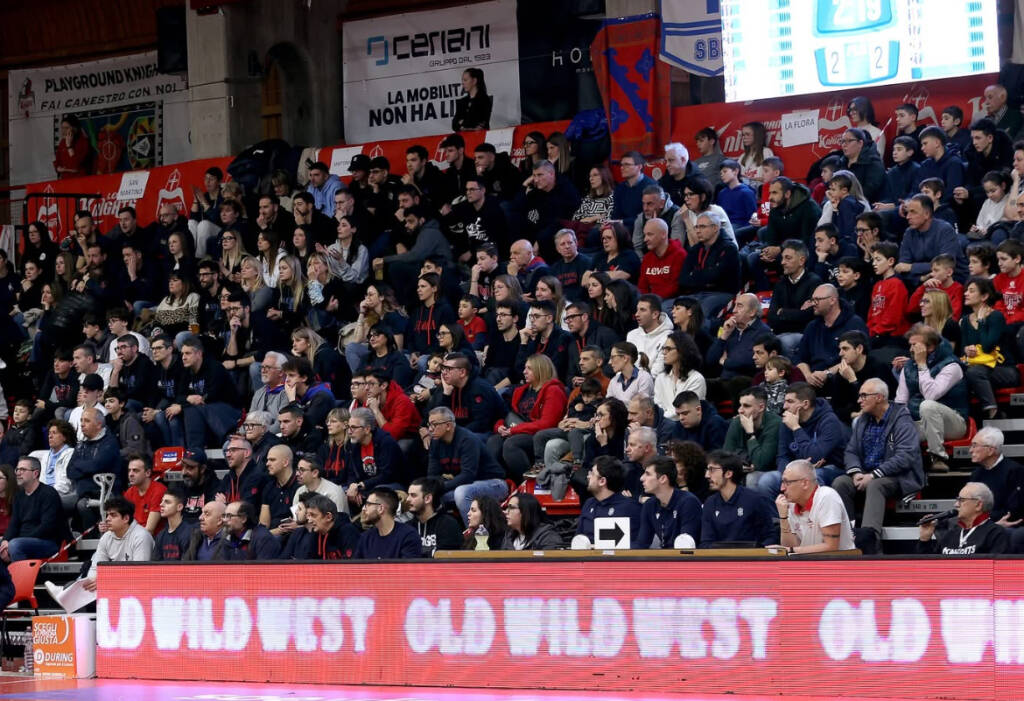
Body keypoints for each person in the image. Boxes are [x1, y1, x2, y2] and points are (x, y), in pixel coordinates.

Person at [832, 378, 924, 550]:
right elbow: (851, 451)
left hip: (899, 476)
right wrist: (856, 473)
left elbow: (906, 456)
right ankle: (846, 539)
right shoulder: (861, 421)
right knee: (841, 483)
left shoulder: (902, 419)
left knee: (875, 485)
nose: (859, 400)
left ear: (879, 397)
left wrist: (874, 474)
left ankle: (869, 542)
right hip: (866, 473)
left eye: (864, 396)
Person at [893, 324, 968, 472]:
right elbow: (901, 401)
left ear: (931, 347)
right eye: (910, 345)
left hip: (954, 422)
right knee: (890, 419)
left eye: (915, 345)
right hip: (921, 421)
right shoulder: (908, 367)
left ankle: (938, 457)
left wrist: (922, 365)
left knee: (928, 405)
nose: (911, 350)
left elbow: (931, 395)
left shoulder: (951, 366)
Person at [489, 354, 567, 480]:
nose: (524, 371)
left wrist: (514, 430)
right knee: (494, 441)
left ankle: (527, 483)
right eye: (525, 368)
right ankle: (501, 481)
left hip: (538, 435)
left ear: (540, 369)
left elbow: (547, 423)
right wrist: (499, 427)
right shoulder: (520, 391)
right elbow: (506, 414)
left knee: (511, 444)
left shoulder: (553, 391)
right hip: (517, 430)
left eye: (529, 368)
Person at [759, 383, 845, 498]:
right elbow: (783, 456)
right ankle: (780, 515)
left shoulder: (829, 421)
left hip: (829, 468)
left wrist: (796, 428)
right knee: (766, 481)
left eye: (790, 401)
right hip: (796, 471)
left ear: (805, 404)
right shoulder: (787, 421)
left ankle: (811, 516)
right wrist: (790, 473)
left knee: (813, 478)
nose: (784, 406)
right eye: (785, 401)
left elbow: (815, 456)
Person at [427, 407, 506, 521]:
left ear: (448, 426)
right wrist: (431, 488)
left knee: (461, 493)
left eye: (434, 425)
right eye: (429, 424)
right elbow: (432, 476)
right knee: (428, 497)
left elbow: (468, 476)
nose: (430, 429)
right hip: (465, 485)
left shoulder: (467, 440)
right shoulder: (435, 442)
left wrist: (439, 486)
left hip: (494, 483)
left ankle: (475, 536)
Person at [962, 276, 1019, 420]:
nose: (966, 294)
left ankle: (993, 410)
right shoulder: (965, 320)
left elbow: (987, 347)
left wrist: (981, 321)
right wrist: (967, 349)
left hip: (1004, 369)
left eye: (971, 291)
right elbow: (964, 345)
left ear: (984, 296)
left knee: (974, 373)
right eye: (966, 291)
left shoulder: (996, 317)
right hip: (979, 366)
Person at [775, 459, 855, 554]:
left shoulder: (827, 497)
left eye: (787, 482)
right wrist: (783, 517)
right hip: (808, 563)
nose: (782, 488)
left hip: (839, 563)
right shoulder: (791, 503)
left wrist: (792, 550)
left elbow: (831, 546)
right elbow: (789, 548)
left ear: (805, 483)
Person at [701, 450, 777, 547]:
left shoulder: (755, 500)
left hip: (750, 559)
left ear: (728, 473)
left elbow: (770, 537)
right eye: (707, 470)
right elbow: (705, 542)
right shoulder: (710, 503)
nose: (707, 475)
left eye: (712, 470)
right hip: (720, 560)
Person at [76, 496, 154, 591]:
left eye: (113, 515)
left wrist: (105, 582)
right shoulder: (106, 537)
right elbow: (95, 568)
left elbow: (139, 575)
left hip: (140, 590)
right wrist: (91, 584)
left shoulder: (141, 536)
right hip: (114, 585)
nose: (107, 519)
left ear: (125, 518)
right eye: (107, 515)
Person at [795, 284, 869, 383]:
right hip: (812, 380)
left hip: (842, 378)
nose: (813, 303)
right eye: (812, 300)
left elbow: (859, 358)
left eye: (817, 299)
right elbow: (800, 358)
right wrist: (808, 376)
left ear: (832, 300)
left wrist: (827, 373)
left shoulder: (854, 323)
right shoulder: (812, 326)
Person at [967, 426, 1024, 550]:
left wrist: (986, 524)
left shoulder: (1014, 471)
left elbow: (1012, 512)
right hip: (982, 527)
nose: (971, 450)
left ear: (991, 450)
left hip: (1005, 531)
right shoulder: (976, 474)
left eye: (975, 445)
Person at [677, 211, 741, 319]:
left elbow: (717, 277)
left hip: (722, 294)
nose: (697, 231)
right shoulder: (695, 250)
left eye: (702, 227)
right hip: (697, 293)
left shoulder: (729, 249)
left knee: (698, 312)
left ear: (715, 228)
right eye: (696, 227)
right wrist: (706, 278)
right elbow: (683, 280)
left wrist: (695, 275)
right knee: (670, 308)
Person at [0, 457, 65, 562]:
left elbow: (47, 527)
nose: (18, 473)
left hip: (47, 542)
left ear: (35, 474)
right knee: (7, 544)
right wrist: (5, 541)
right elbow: (14, 524)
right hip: (22, 540)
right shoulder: (19, 496)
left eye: (23, 470)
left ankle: (23, 578)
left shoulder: (49, 494)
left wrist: (14, 541)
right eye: (17, 469)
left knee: (16, 545)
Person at [917, 482, 1009, 555]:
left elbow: (996, 571)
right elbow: (929, 568)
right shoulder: (950, 534)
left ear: (978, 505)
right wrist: (925, 539)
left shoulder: (995, 533)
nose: (956, 504)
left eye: (961, 500)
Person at [766, 240, 822, 358]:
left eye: (788, 258)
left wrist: (783, 312)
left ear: (801, 260)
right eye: (782, 258)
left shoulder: (814, 282)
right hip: (780, 332)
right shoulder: (780, 283)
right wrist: (796, 313)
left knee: (782, 343)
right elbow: (771, 316)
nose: (782, 262)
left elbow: (809, 315)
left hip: (804, 334)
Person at [898, 194, 967, 285]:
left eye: (913, 212)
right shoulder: (909, 233)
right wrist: (921, 278)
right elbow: (902, 266)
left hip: (953, 281)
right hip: (921, 281)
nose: (908, 217)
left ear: (927, 214)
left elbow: (945, 265)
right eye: (907, 212)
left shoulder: (945, 230)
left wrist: (912, 267)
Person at [636, 456, 702, 549]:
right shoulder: (649, 505)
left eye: (648, 474)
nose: (642, 478)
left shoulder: (688, 502)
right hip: (665, 559)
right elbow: (642, 543)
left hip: (689, 560)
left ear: (663, 479)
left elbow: (686, 545)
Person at [723, 387, 782, 489]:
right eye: (740, 405)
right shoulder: (736, 422)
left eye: (746, 406)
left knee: (751, 478)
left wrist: (750, 433)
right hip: (739, 469)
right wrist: (739, 465)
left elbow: (761, 463)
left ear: (761, 407)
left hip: (769, 472)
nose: (740, 410)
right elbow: (725, 456)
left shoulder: (775, 424)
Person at [343, 408, 402, 507]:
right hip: (365, 485)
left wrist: (361, 486)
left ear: (367, 429)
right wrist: (352, 486)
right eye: (348, 427)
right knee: (342, 492)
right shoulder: (353, 443)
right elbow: (351, 472)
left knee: (376, 494)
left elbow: (387, 475)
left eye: (353, 427)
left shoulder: (385, 442)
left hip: (390, 484)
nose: (349, 432)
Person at [354, 487, 421, 559]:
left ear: (380, 509)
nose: (364, 509)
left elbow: (407, 568)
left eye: (368, 504)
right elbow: (356, 568)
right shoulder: (365, 538)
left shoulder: (408, 536)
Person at [654, 332, 706, 418]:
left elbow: (685, 411)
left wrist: (662, 417)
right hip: (664, 426)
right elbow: (658, 407)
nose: (664, 352)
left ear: (682, 351)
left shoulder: (696, 379)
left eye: (668, 349)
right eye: (663, 348)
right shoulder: (660, 378)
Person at [407, 476, 463, 556]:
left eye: (413, 495)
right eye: (408, 495)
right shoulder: (407, 527)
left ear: (427, 498)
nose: (408, 499)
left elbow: (446, 557)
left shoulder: (448, 525)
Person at [637, 219, 686, 305]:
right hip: (651, 301)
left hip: (672, 300)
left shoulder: (679, 255)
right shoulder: (647, 258)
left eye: (650, 234)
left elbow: (675, 287)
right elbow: (642, 286)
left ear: (663, 234)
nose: (645, 239)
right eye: (645, 235)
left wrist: (651, 301)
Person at [217, 434, 269, 511]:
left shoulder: (258, 477)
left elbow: (246, 509)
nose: (227, 455)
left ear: (246, 453)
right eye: (227, 451)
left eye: (233, 450)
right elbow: (216, 500)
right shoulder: (228, 477)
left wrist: (225, 504)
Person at [304, 494, 360, 560]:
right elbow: (310, 562)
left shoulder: (349, 532)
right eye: (308, 516)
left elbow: (351, 565)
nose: (309, 521)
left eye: (313, 515)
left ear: (328, 517)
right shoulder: (316, 533)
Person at [611, 151, 656, 232]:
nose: (622, 167)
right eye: (621, 165)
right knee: (596, 233)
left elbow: (648, 216)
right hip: (621, 226)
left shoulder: (651, 186)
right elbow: (615, 213)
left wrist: (623, 222)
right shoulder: (619, 188)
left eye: (627, 165)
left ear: (639, 167)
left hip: (643, 227)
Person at [123, 454, 166, 535]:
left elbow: (149, 529)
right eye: (129, 470)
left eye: (135, 471)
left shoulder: (159, 491)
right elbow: (121, 521)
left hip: (152, 541)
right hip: (134, 537)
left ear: (148, 473)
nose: (130, 474)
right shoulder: (130, 492)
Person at [151, 489, 194, 561]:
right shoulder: (161, 535)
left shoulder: (189, 533)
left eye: (167, 502)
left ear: (179, 507)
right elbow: (155, 563)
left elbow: (187, 564)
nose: (161, 504)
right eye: (162, 501)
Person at [737, 122, 775, 187]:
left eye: (747, 134)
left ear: (757, 135)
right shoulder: (742, 156)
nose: (744, 137)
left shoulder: (766, 152)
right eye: (743, 135)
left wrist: (749, 180)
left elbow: (771, 177)